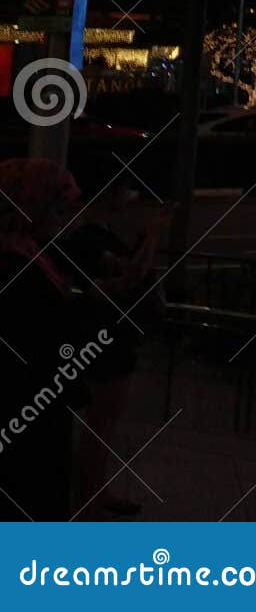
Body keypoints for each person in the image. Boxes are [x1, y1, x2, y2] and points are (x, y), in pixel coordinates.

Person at [58, 184, 169, 517]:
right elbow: (131, 277)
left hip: (111, 338)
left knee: (104, 424)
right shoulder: (90, 237)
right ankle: (86, 498)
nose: (134, 200)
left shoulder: (96, 233)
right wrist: (154, 235)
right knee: (101, 423)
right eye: (129, 192)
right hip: (105, 341)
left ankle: (95, 491)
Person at [0, 160, 89, 521]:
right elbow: (39, 339)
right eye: (55, 207)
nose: (62, 217)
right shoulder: (15, 265)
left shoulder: (26, 252)